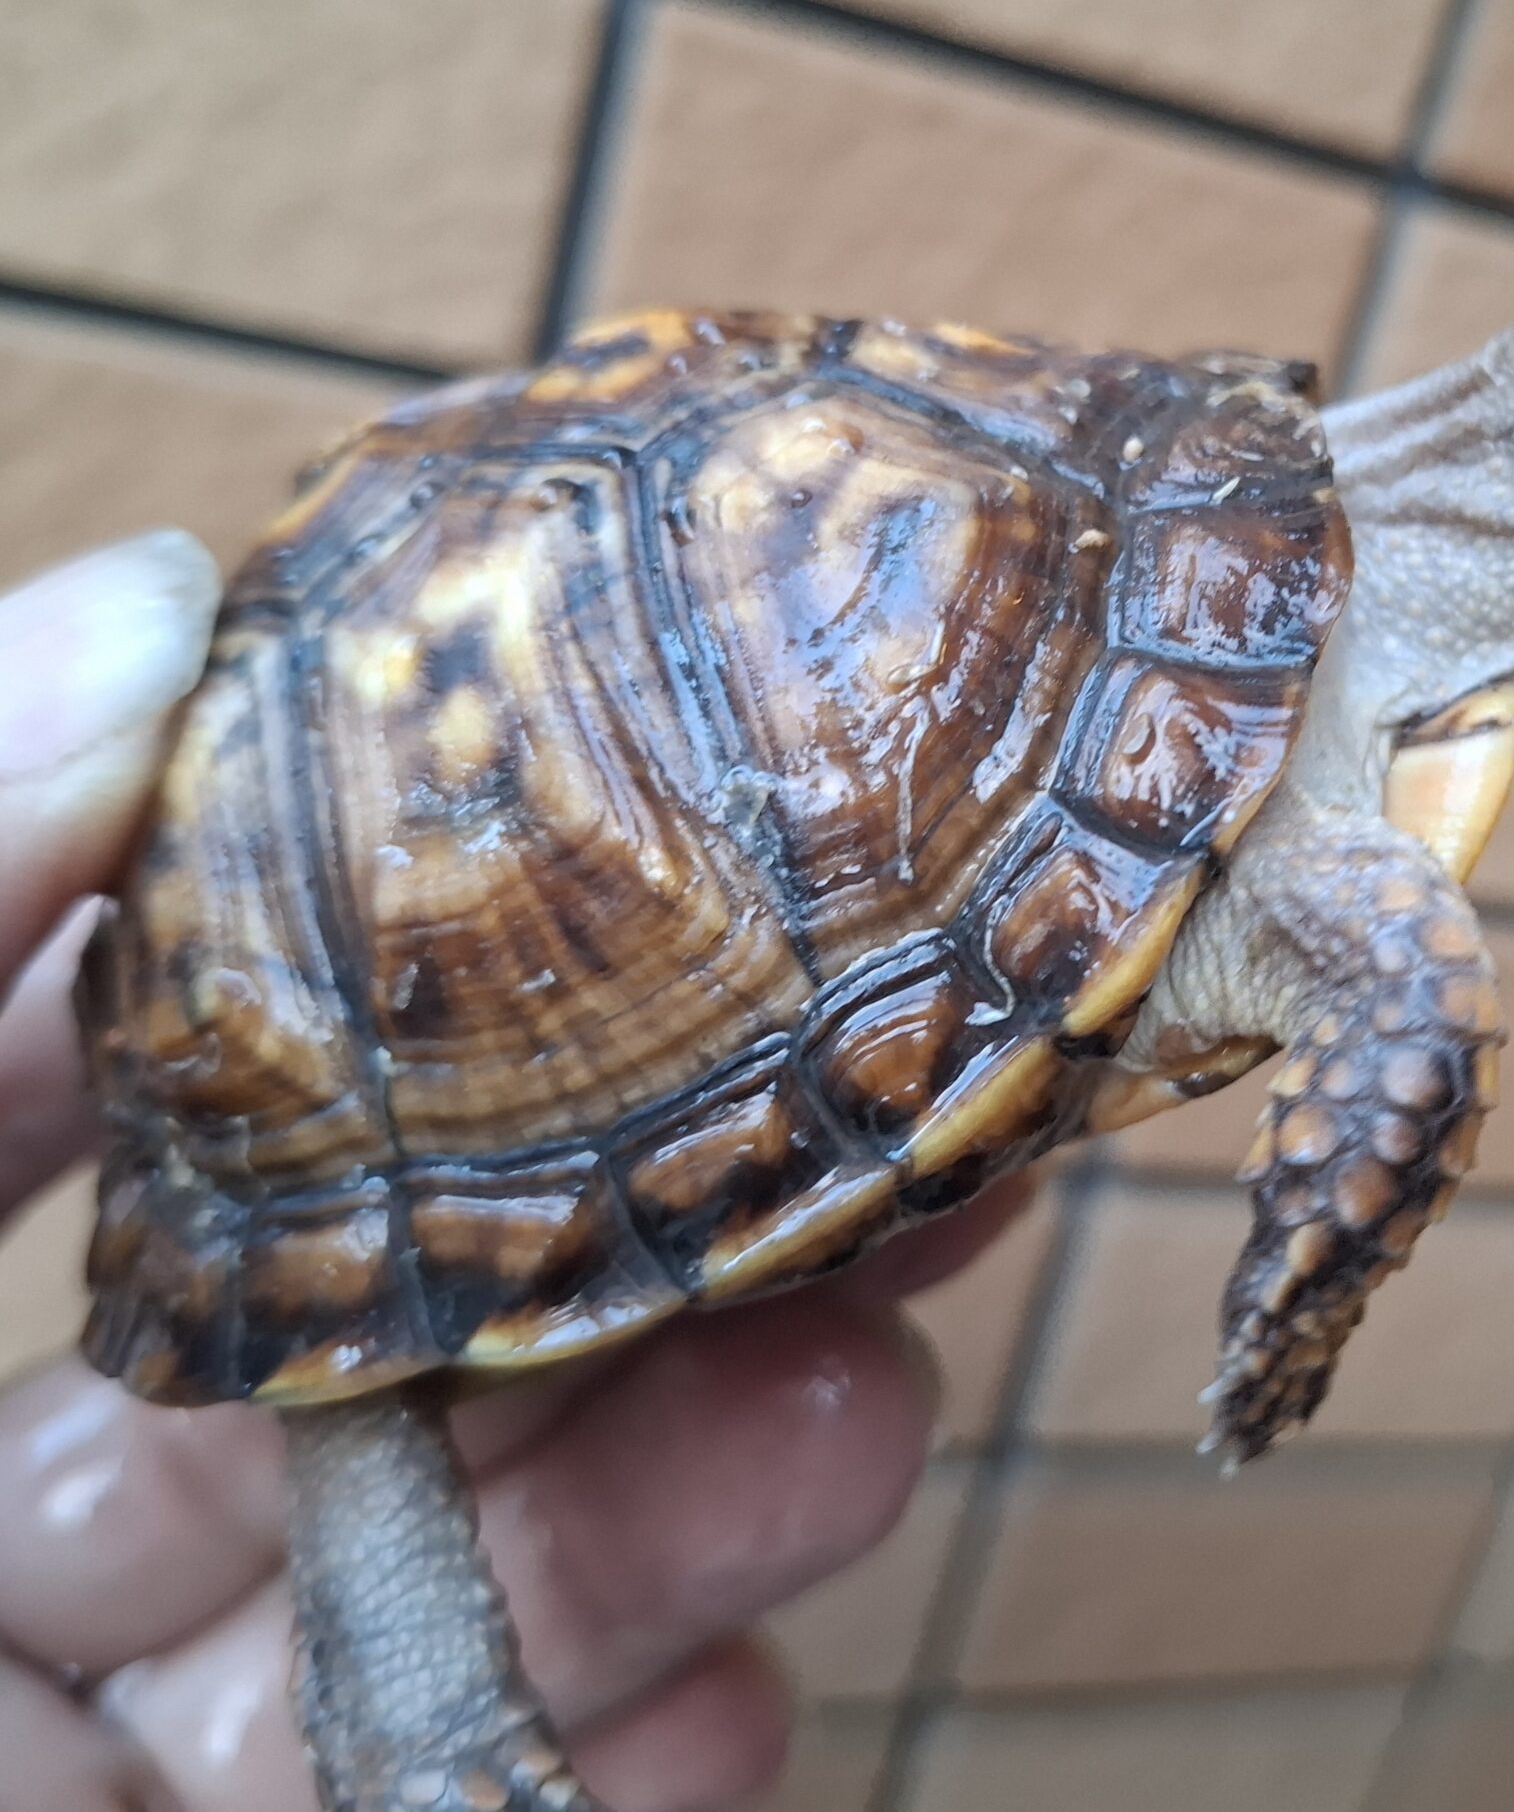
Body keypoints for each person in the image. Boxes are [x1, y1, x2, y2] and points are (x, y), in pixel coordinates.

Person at [0, 531, 1023, 1812]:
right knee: (356, 1403)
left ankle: (425, 1759)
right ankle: (427, 1762)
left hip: (329, 1101)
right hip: (321, 1074)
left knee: (364, 1406)